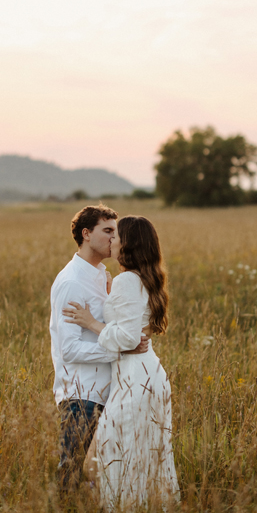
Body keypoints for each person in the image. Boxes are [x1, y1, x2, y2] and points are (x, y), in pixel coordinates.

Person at [64, 215, 179, 509]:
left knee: (111, 454)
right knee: (143, 453)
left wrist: (90, 322)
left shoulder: (128, 281)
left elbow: (128, 338)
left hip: (134, 379)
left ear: (128, 243)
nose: (111, 240)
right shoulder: (141, 278)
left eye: (116, 236)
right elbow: (132, 322)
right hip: (147, 373)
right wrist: (109, 294)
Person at [50, 204, 149, 493]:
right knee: (71, 470)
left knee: (100, 473)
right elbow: (69, 349)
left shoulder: (101, 276)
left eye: (115, 232)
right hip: (82, 393)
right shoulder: (72, 281)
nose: (114, 238)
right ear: (86, 234)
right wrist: (120, 351)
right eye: (107, 231)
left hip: (106, 390)